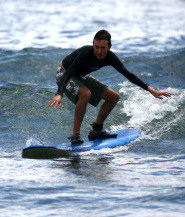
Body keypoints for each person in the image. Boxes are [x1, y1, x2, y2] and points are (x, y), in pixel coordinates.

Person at [47, 30, 171, 144]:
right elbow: (68, 74)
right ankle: (75, 135)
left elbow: (127, 74)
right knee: (85, 93)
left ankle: (96, 131)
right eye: (96, 47)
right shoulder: (85, 52)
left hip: (80, 76)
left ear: (109, 47)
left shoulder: (110, 57)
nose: (99, 51)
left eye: (103, 48)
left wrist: (151, 90)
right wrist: (59, 94)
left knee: (113, 97)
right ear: (93, 45)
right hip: (63, 73)